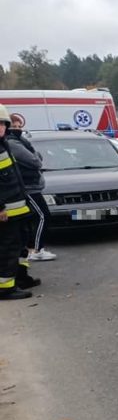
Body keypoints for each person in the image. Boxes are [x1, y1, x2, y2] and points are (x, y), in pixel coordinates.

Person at [8, 116, 55, 262]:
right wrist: (35, 155)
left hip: (33, 186)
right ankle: (36, 250)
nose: (17, 129)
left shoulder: (22, 142)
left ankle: (31, 249)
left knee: (31, 220)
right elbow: (36, 161)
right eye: (13, 126)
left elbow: (36, 158)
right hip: (28, 188)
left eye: (19, 125)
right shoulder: (13, 143)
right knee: (43, 216)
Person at [0, 104, 33, 300]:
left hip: (17, 210)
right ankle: (5, 288)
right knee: (7, 248)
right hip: (5, 213)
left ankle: (18, 278)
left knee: (19, 244)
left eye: (2, 124)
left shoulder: (4, 145)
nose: (1, 128)